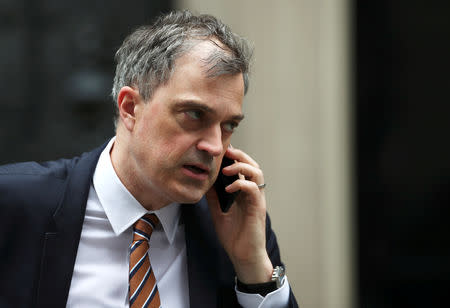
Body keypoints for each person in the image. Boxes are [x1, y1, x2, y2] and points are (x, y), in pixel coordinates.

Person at [0, 10, 298, 308]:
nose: (215, 147)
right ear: (130, 107)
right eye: (195, 115)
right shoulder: (14, 205)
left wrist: (253, 268)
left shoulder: (235, 229)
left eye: (228, 125)